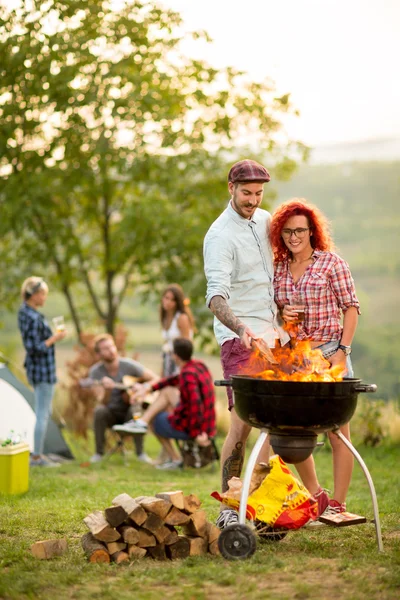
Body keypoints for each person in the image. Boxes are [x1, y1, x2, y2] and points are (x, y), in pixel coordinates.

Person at [203, 159, 324, 530]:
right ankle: (228, 506)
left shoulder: (266, 219)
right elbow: (216, 298)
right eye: (246, 193)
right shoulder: (219, 236)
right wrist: (241, 329)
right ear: (230, 188)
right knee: (242, 424)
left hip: (277, 334)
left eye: (258, 193)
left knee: (279, 423)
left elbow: (270, 279)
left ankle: (263, 503)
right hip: (241, 339)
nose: (253, 200)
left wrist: (284, 309)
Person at [270, 197, 360, 517]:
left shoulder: (331, 263)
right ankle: (316, 494)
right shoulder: (279, 269)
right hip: (296, 356)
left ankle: (339, 502)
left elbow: (351, 309)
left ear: (312, 231)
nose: (294, 237)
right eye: (287, 232)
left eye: (300, 231)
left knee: (337, 431)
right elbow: (279, 317)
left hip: (328, 352)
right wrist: (284, 314)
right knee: (295, 429)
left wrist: (342, 352)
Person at [113, 338, 216, 471]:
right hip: (207, 423)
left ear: (176, 356)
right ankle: (142, 422)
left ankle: (175, 459)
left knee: (155, 421)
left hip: (196, 427)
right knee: (167, 391)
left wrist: (198, 433)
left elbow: (196, 404)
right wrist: (150, 388)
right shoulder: (198, 365)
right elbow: (173, 380)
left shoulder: (187, 375)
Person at [18, 277, 67, 467]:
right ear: (35, 294)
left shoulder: (31, 313)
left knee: (44, 411)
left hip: (43, 369)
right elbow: (34, 348)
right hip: (41, 371)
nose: (45, 298)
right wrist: (54, 338)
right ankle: (37, 457)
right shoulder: (29, 315)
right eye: (44, 294)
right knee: (42, 413)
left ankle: (38, 454)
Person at [88, 334, 159, 464]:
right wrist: (107, 391)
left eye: (112, 346)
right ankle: (98, 454)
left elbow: (156, 379)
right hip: (111, 413)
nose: (111, 350)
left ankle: (141, 453)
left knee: (136, 409)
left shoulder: (129, 365)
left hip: (129, 413)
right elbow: (101, 401)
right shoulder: (95, 373)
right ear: (98, 355)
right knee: (99, 411)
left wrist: (143, 387)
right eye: (105, 348)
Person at [160, 284, 195, 377]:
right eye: (166, 298)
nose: (168, 302)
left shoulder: (181, 318)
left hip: (180, 360)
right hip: (168, 358)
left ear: (177, 302)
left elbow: (187, 344)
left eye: (172, 300)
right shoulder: (165, 317)